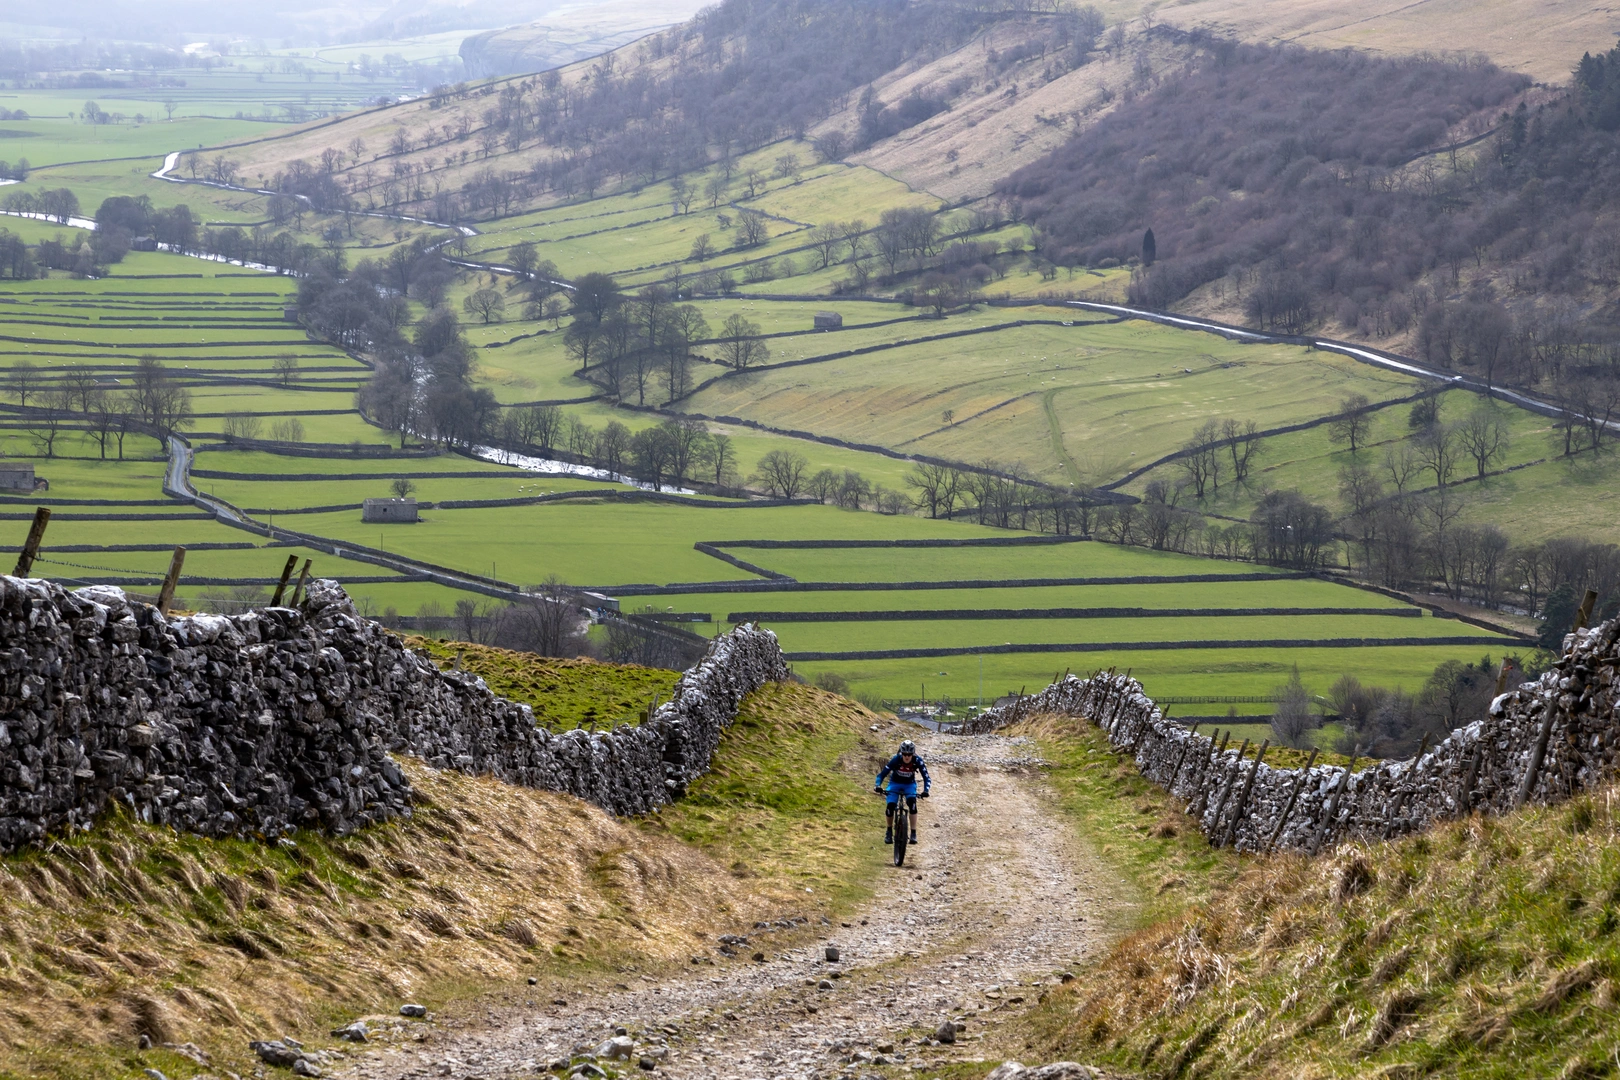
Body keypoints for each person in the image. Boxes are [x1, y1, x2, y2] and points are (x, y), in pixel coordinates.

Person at [874, 739, 931, 846]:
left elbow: (927, 778)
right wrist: (877, 786)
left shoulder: (918, 761)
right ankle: (889, 831)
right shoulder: (896, 760)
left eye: (909, 754)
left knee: (912, 804)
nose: (907, 756)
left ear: (913, 754)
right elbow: (881, 775)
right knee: (890, 806)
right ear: (901, 753)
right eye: (904, 754)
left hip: (909, 785)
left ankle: (913, 833)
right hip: (895, 783)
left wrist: (926, 791)